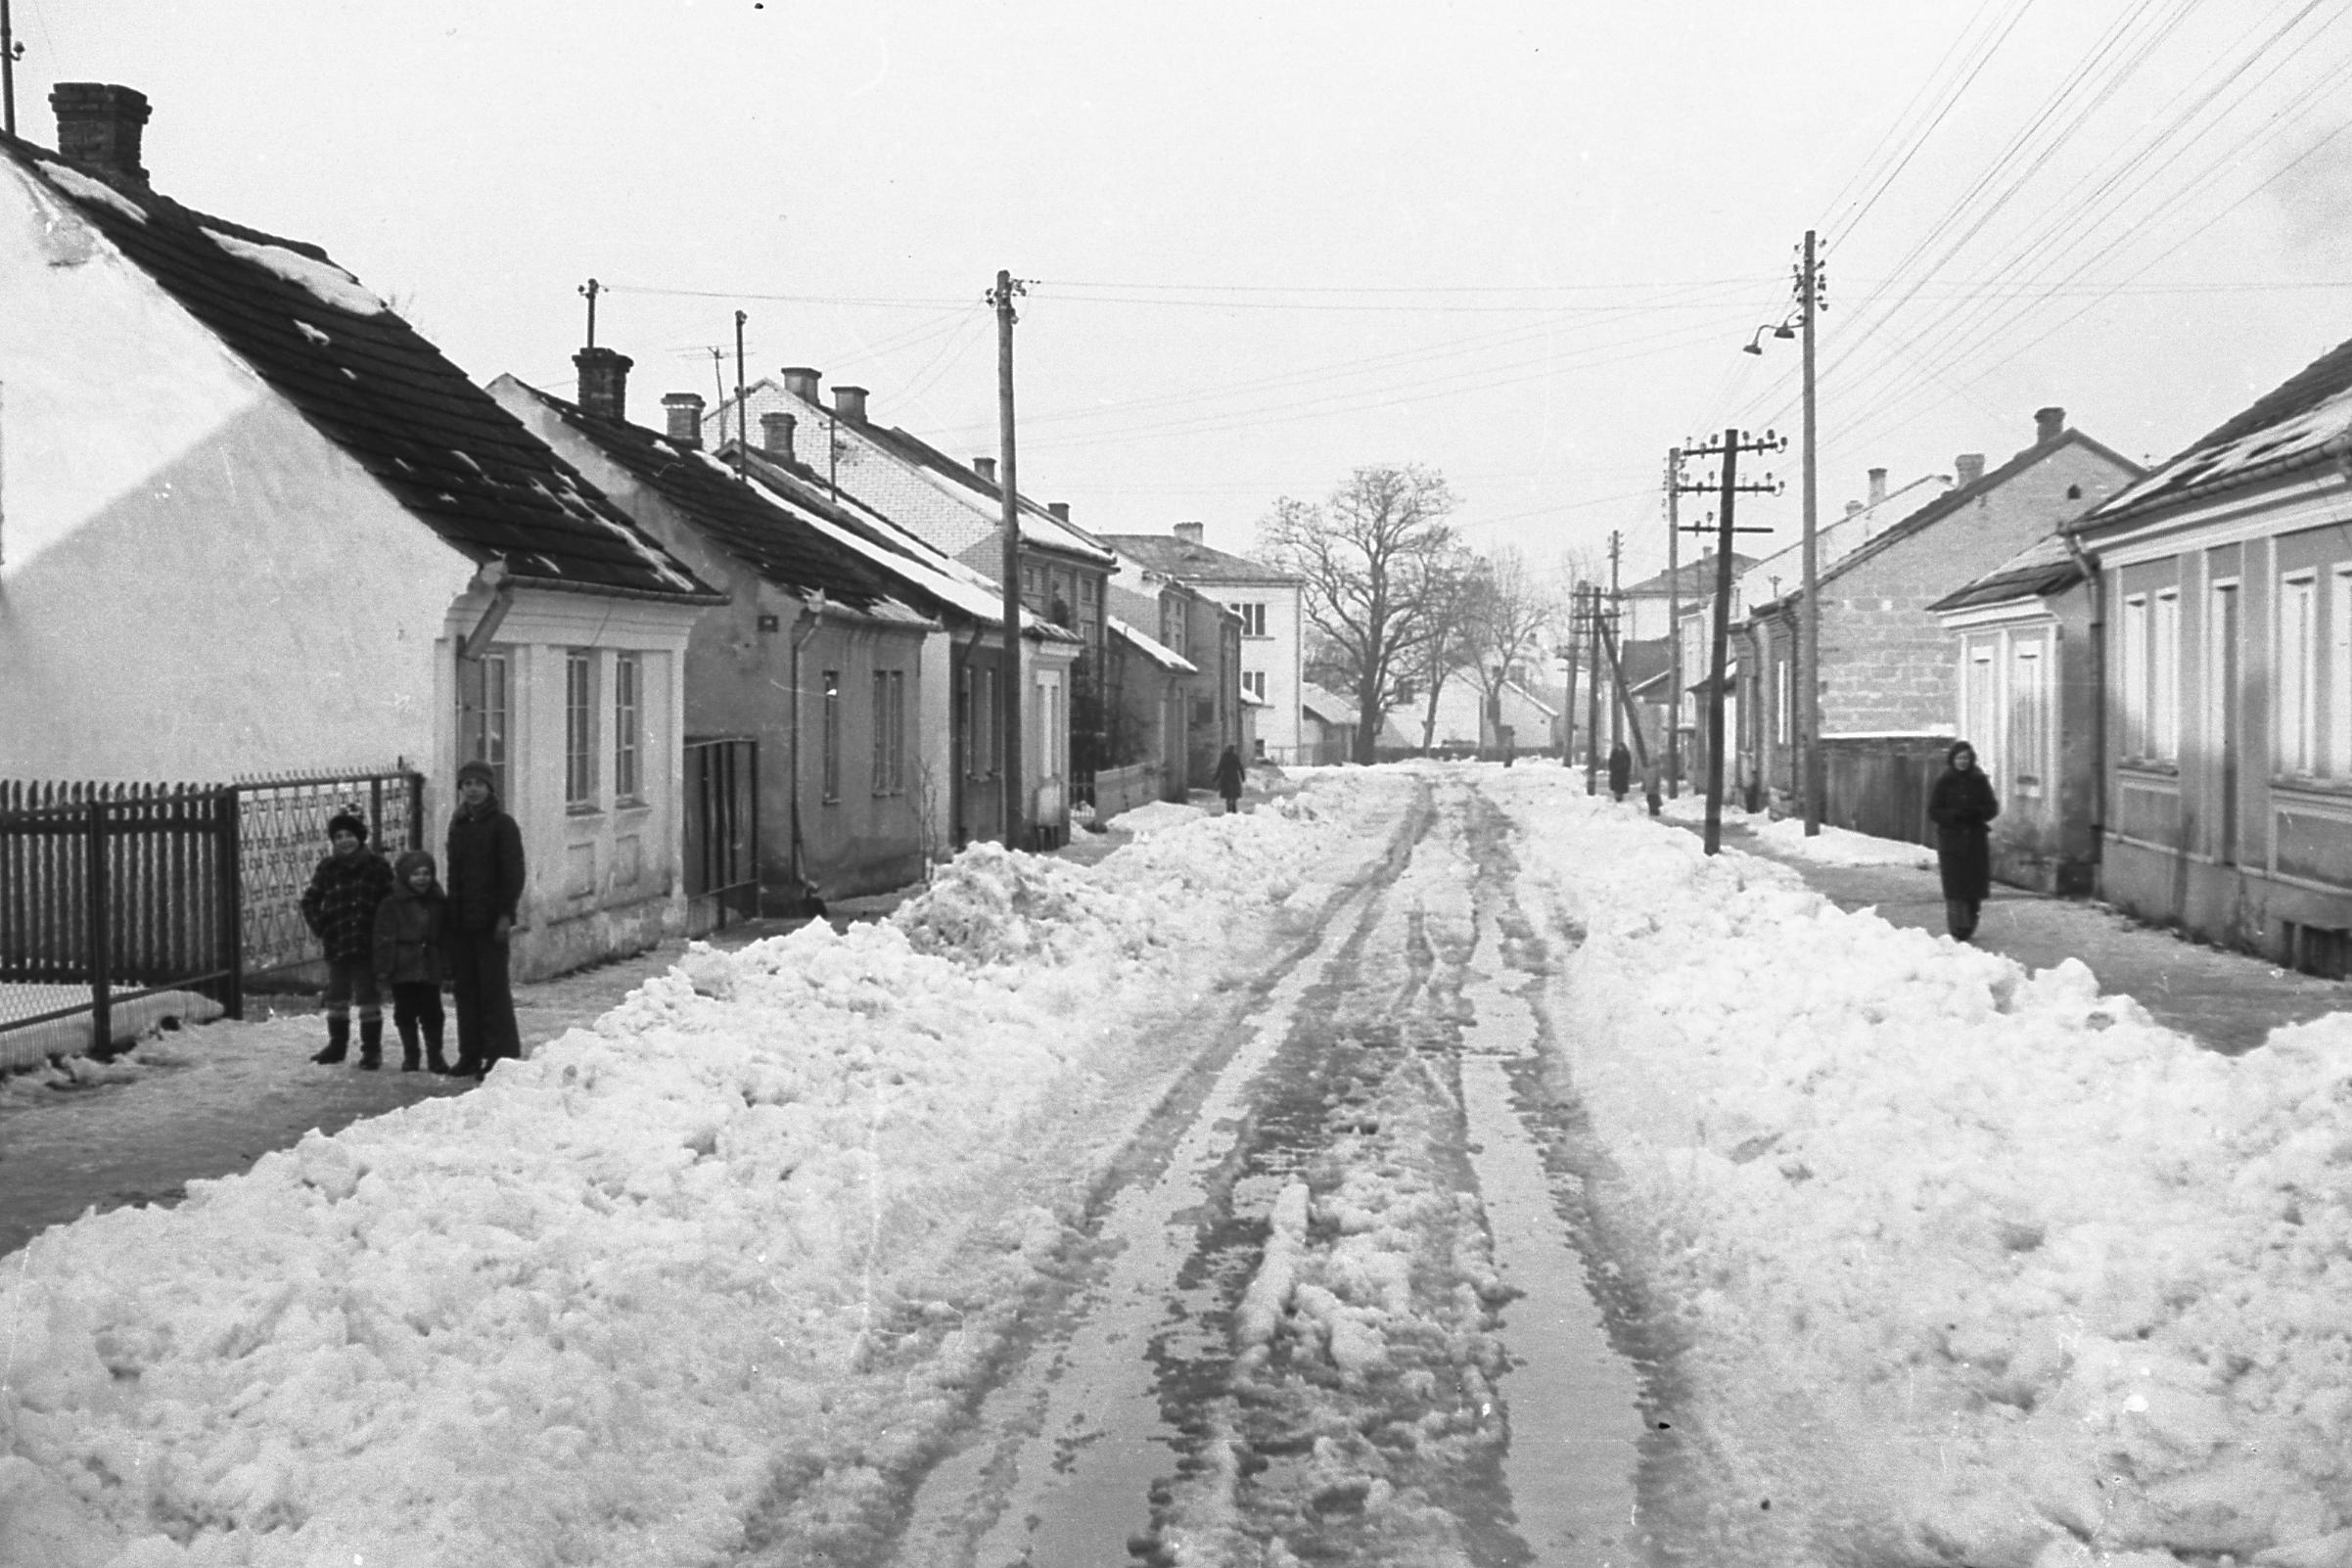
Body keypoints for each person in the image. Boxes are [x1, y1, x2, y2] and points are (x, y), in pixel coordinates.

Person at [444, 760, 525, 1079]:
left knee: (493, 989)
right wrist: (451, 916)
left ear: (490, 788)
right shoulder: (459, 825)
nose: (472, 789)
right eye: (467, 784)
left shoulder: (503, 825)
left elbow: (513, 873)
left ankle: (500, 1055)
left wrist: (505, 914)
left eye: (478, 783)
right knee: (466, 990)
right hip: (462, 921)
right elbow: (454, 876)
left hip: (491, 922)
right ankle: (470, 1054)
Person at [299, 809, 394, 1068]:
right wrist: (321, 926)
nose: (344, 841)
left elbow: (390, 902)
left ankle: (371, 1050)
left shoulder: (377, 866)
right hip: (338, 940)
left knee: (367, 997)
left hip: (367, 941)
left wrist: (383, 933)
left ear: (360, 837)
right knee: (337, 996)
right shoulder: (328, 868)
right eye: (338, 837)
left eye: (349, 835)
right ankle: (337, 1046)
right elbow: (310, 900)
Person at [375, 849, 452, 1074]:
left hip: (430, 964)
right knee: (405, 1011)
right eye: (416, 874)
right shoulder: (392, 903)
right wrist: (383, 968)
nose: (422, 879)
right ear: (405, 876)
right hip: (402, 966)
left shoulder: (438, 902)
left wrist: (447, 966)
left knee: (432, 1012)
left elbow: (446, 936)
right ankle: (411, 1054)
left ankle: (435, 1055)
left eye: (426, 873)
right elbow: (383, 937)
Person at [1927, 739, 2001, 941]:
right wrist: (1953, 816)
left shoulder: (1979, 780)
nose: (1963, 761)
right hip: (1952, 841)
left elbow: (1992, 807)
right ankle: (1958, 927)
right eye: (1959, 758)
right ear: (1952, 759)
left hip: (1975, 841)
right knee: (1955, 887)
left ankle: (1970, 926)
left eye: (1966, 758)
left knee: (1973, 887)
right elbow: (1934, 810)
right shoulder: (1945, 781)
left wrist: (1977, 813)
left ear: (1971, 759)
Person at [1213, 745, 1246, 814]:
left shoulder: (1224, 757)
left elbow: (1220, 768)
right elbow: (1240, 767)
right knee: (1234, 793)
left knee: (1228, 794)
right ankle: (1233, 806)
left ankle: (1228, 808)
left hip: (1226, 777)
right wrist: (1243, 777)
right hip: (1234, 777)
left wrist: (1215, 778)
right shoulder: (1235, 757)